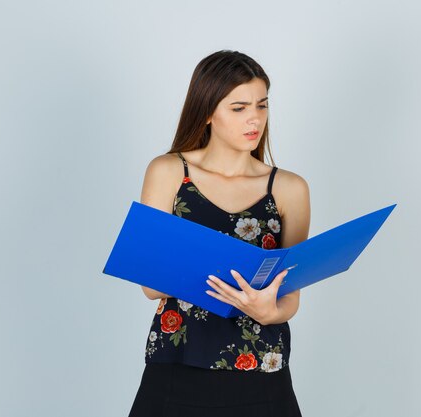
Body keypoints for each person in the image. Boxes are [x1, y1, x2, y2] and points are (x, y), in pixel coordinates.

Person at [128, 50, 311, 417]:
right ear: (208, 111)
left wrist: (268, 310)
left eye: (262, 105)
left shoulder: (289, 188)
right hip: (177, 366)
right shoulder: (168, 172)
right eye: (239, 108)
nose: (254, 119)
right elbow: (150, 284)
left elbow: (290, 297)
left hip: (263, 370)